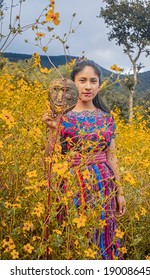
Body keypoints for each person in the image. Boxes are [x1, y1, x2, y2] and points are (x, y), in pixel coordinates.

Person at [42, 59, 126, 260]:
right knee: (75, 234)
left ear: (99, 84)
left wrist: (120, 192)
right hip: (72, 184)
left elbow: (111, 157)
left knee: (102, 234)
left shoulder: (107, 117)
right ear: (72, 83)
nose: (88, 86)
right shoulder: (63, 115)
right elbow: (49, 155)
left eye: (93, 81)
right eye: (82, 80)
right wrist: (53, 129)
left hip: (104, 186)